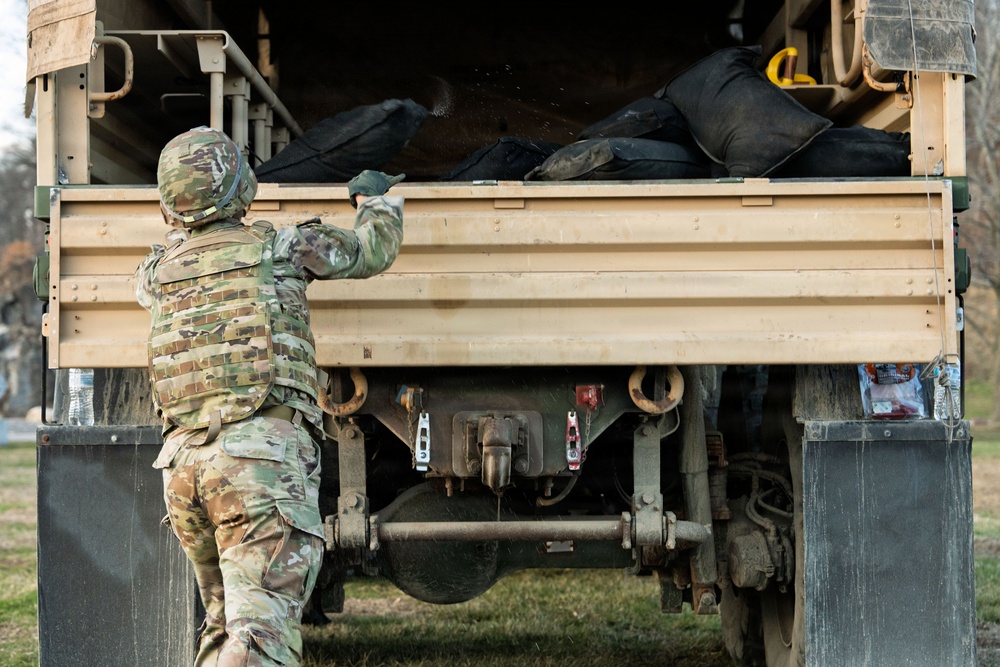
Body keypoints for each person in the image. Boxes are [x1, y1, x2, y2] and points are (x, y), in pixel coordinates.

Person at [134, 126, 404, 666]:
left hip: (184, 469)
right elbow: (372, 251)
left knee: (222, 626)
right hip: (257, 466)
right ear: (241, 188)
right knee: (260, 639)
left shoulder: (154, 273)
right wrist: (374, 200)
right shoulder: (283, 247)